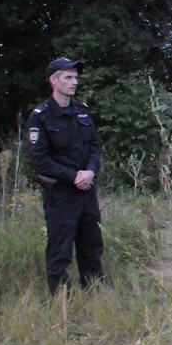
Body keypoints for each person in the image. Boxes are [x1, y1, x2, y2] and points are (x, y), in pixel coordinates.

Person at [27, 58, 105, 294]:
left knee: (91, 246)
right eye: (68, 77)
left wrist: (90, 171)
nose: (74, 82)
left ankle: (95, 294)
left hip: (86, 191)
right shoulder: (40, 116)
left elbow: (93, 146)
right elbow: (40, 160)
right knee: (60, 251)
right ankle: (62, 302)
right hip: (61, 194)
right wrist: (73, 177)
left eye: (76, 77)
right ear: (54, 80)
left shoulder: (81, 111)